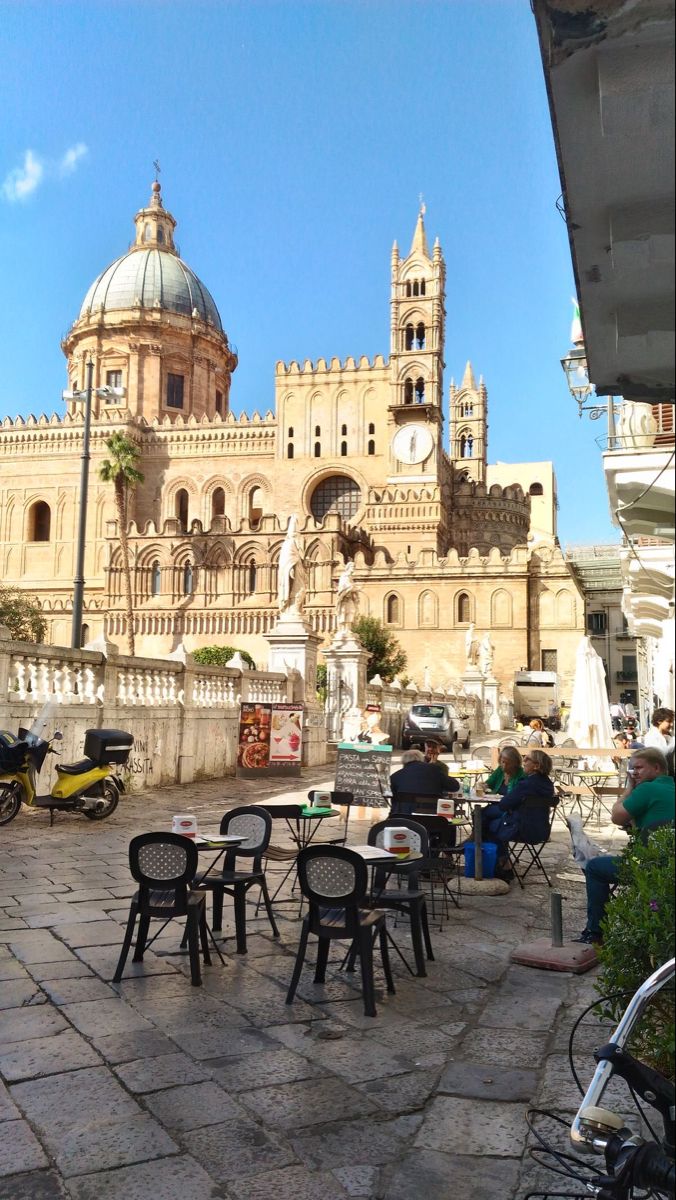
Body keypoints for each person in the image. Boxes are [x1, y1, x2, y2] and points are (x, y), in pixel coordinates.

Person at [574, 748, 675, 945]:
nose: (634, 773)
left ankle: (595, 933)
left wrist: (629, 788)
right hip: (669, 865)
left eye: (638, 768)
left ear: (656, 767)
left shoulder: (647, 789)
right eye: (631, 769)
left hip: (646, 864)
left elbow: (616, 816)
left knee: (595, 867)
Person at [481, 749, 556, 879]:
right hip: (541, 830)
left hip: (521, 829)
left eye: (527, 759)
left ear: (536, 766)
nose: (524, 762)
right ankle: (501, 864)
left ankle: (504, 866)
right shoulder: (548, 784)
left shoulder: (527, 784)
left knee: (488, 825)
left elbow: (504, 804)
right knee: (489, 821)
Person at [389, 748, 458, 816]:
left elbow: (389, 794)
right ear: (421, 759)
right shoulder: (434, 770)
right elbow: (455, 786)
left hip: (404, 817)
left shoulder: (396, 776)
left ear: (404, 762)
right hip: (432, 817)